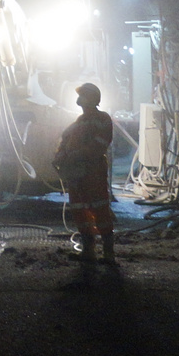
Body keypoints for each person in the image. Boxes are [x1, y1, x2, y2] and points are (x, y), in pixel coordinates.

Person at [54, 82, 116, 262]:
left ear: (92, 98)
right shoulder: (79, 122)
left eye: (83, 95)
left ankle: (108, 252)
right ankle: (88, 249)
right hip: (77, 172)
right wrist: (61, 156)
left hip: (92, 170)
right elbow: (66, 141)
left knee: (99, 207)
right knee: (79, 208)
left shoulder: (102, 119)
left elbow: (100, 144)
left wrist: (78, 155)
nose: (79, 99)